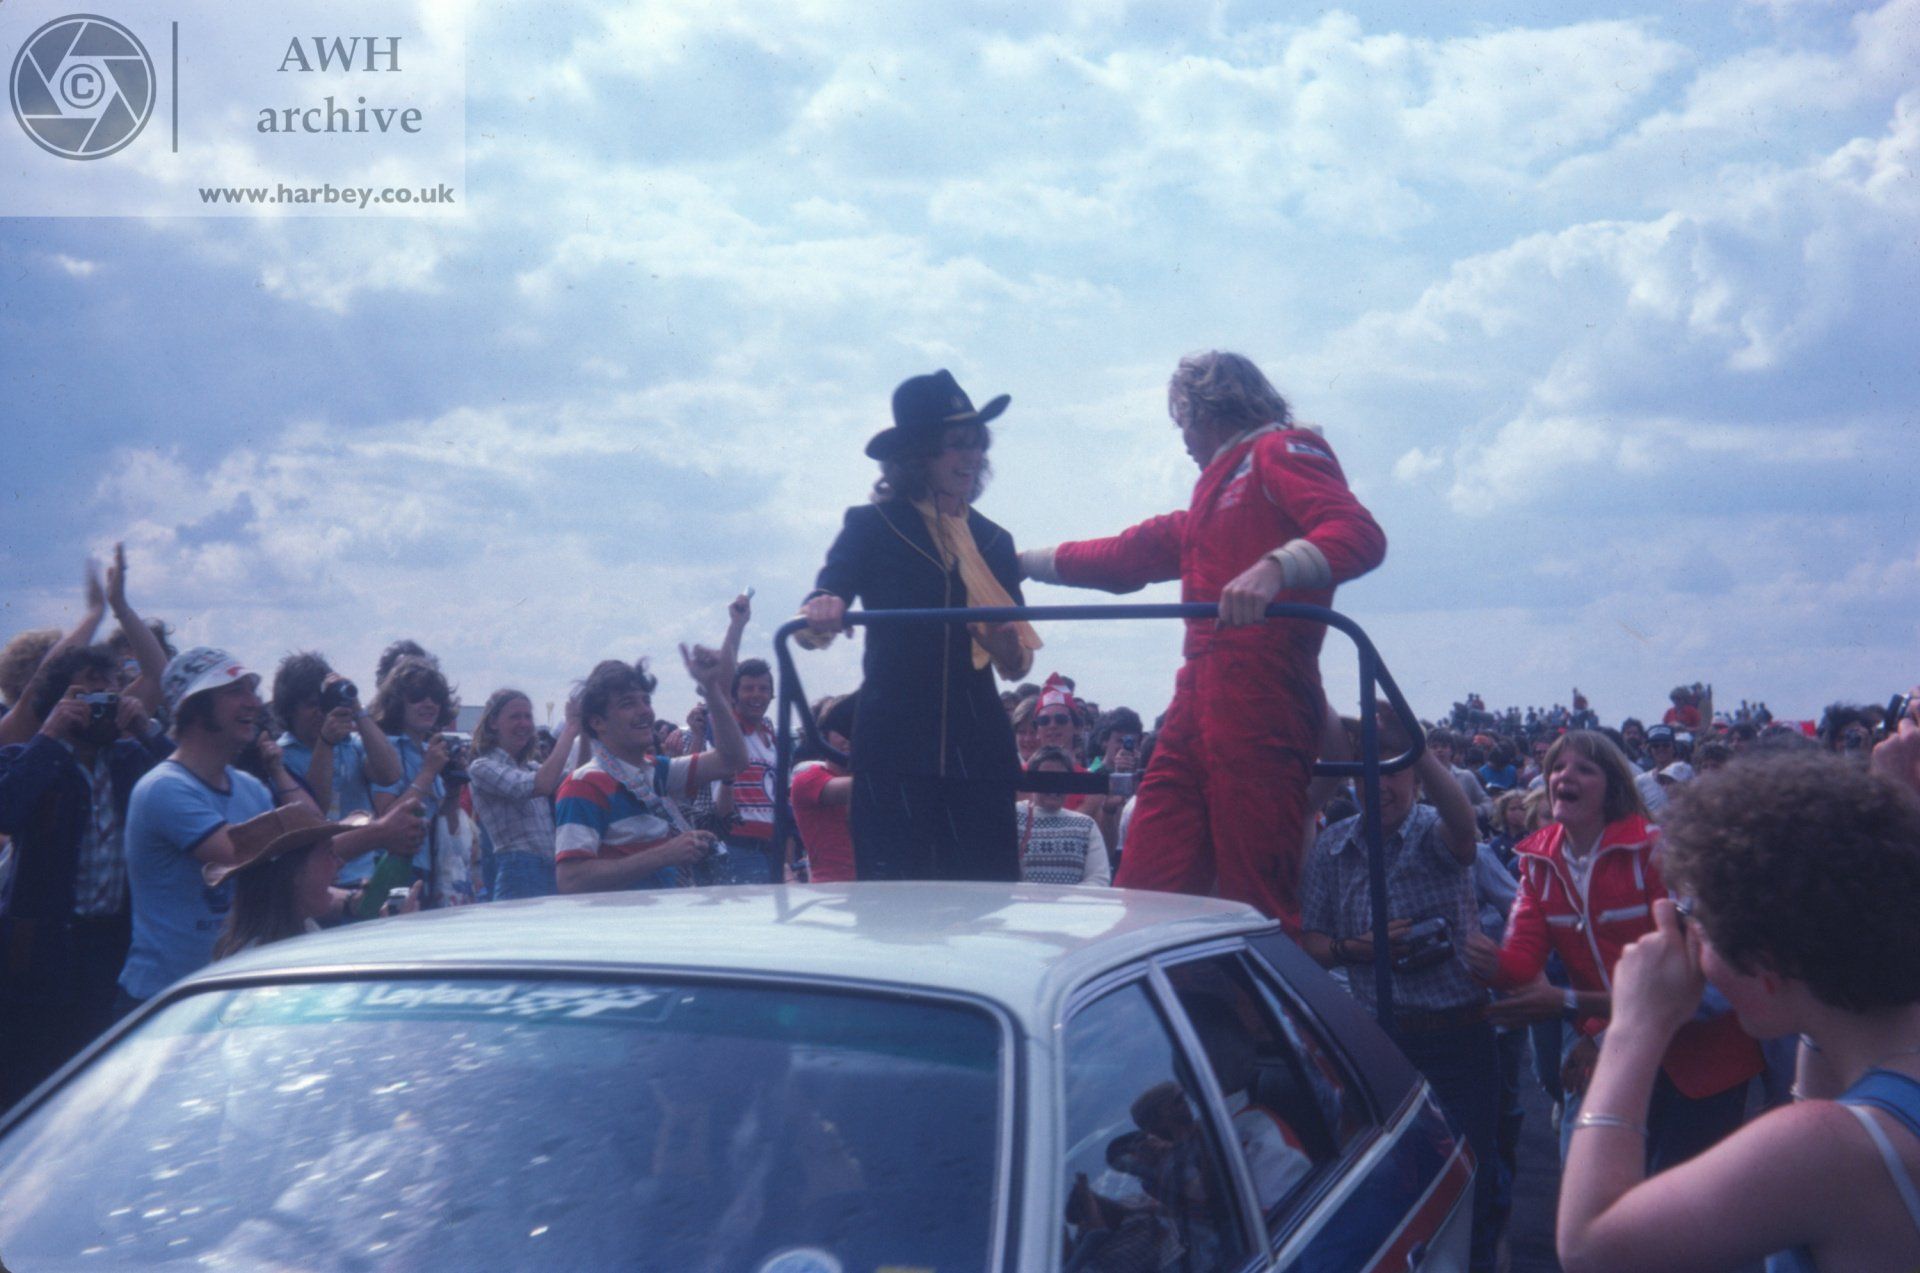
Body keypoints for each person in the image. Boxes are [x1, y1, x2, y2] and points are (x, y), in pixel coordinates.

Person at [1020, 351, 1386, 927]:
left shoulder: (1282, 449)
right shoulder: (1211, 494)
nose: (1182, 438)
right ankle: (1171, 1003)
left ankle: (1263, 1016)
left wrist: (1275, 568)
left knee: (1253, 898)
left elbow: (1359, 533)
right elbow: (1126, 555)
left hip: (1263, 696)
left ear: (1202, 408)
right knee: (1147, 885)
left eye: (1181, 421)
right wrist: (1019, 563)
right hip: (1196, 705)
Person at [1557, 751, 1920, 1272]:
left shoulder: (1828, 1148)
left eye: (1694, 918)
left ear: (1764, 962)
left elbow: (1590, 1249)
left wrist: (1634, 1027)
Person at [1462, 730, 1762, 1172]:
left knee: (1680, 1210)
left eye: (1585, 768)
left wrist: (1585, 1020)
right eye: (1558, 767)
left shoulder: (1657, 850)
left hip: (1700, 1058)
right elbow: (1523, 958)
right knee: (1609, 1187)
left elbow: (1685, 980)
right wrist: (1490, 966)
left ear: (1614, 787)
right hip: (1623, 1049)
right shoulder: (1537, 864)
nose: (1566, 775)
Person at [799, 369, 1040, 881]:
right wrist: (823, 604)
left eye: (977, 445)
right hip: (895, 747)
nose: (972, 457)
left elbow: (1018, 664)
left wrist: (1005, 645)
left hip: (979, 751)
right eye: (956, 445)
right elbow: (829, 591)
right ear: (917, 455)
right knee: (893, 909)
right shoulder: (872, 525)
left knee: (986, 904)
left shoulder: (995, 540)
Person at [1299, 707, 1498, 1270]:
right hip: (1380, 1044)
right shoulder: (1335, 846)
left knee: (1471, 1177)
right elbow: (1312, 938)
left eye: (1391, 771)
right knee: (1393, 1187)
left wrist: (1414, 745)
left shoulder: (1433, 833)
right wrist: (1352, 949)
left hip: (1457, 1038)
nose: (1377, 785)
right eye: (1365, 774)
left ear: (1414, 776)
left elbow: (1464, 831)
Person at [0, 644, 169, 1104]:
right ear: (58, 702)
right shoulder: (26, 757)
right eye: (86, 695)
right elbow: (6, 811)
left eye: (109, 693)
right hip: (42, 951)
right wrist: (51, 735)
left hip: (111, 944)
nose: (100, 706)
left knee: (95, 1081)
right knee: (32, 1076)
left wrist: (146, 729)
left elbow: (189, 783)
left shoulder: (133, 760)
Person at [117, 648, 279, 1010]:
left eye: (251, 690)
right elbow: (244, 854)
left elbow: (286, 869)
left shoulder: (251, 789)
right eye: (235, 692)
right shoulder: (163, 788)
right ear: (195, 708)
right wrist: (373, 834)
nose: (254, 703)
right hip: (162, 1005)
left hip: (229, 997)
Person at [554, 644, 749, 894]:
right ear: (597, 722)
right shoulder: (583, 784)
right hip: (622, 927)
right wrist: (665, 854)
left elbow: (732, 760)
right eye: (628, 704)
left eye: (646, 700)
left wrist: (711, 690)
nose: (645, 710)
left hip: (657, 921)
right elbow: (570, 880)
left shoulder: (656, 771)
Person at [206, 804, 415, 958]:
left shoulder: (302, 929)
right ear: (294, 874)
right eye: (329, 853)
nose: (339, 863)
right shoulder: (264, 960)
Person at [268, 651, 403, 887]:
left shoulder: (350, 745)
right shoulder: (281, 757)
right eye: (312, 705)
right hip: (314, 885)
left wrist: (357, 710)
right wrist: (326, 743)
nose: (321, 712)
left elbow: (390, 773)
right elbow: (312, 814)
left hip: (362, 878)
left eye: (324, 704)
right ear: (290, 709)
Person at [468, 688, 581, 900]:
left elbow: (578, 779)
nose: (524, 724)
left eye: (528, 717)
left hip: (548, 867)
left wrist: (583, 733)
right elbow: (541, 786)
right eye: (515, 717)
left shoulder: (529, 767)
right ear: (493, 723)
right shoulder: (481, 767)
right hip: (518, 868)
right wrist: (570, 729)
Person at [368, 657, 457, 901]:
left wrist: (455, 783)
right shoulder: (388, 750)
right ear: (398, 702)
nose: (429, 703)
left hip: (427, 867)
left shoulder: (429, 750)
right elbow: (386, 818)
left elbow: (447, 823)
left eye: (435, 696)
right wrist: (428, 773)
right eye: (418, 695)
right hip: (393, 866)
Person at [1015, 747, 1112, 886]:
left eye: (1061, 780)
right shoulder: (1013, 818)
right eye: (1046, 779)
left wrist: (1065, 902)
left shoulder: (1086, 826)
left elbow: (1098, 879)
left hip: (1071, 907)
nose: (1054, 786)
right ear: (1032, 780)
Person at [790, 693, 857, 884]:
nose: (849, 736)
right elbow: (857, 788)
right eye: (841, 728)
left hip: (873, 888)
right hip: (832, 891)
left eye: (855, 727)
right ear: (822, 736)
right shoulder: (808, 779)